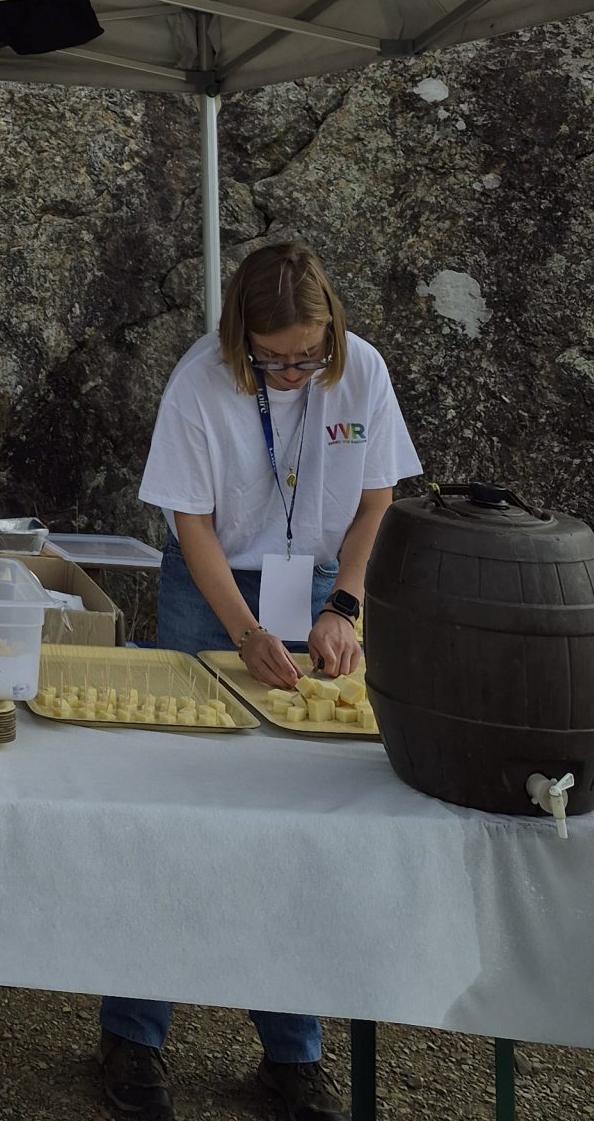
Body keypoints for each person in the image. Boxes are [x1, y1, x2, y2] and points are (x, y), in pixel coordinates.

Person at [97, 241, 421, 1121]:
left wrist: (345, 605)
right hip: (212, 592)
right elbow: (192, 523)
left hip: (315, 587)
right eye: (274, 360)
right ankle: (133, 1034)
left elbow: (376, 502)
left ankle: (292, 1054)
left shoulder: (362, 372)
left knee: (296, 820)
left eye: (307, 357)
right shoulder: (199, 383)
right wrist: (242, 632)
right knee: (181, 807)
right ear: (241, 337)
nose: (292, 373)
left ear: (331, 334)